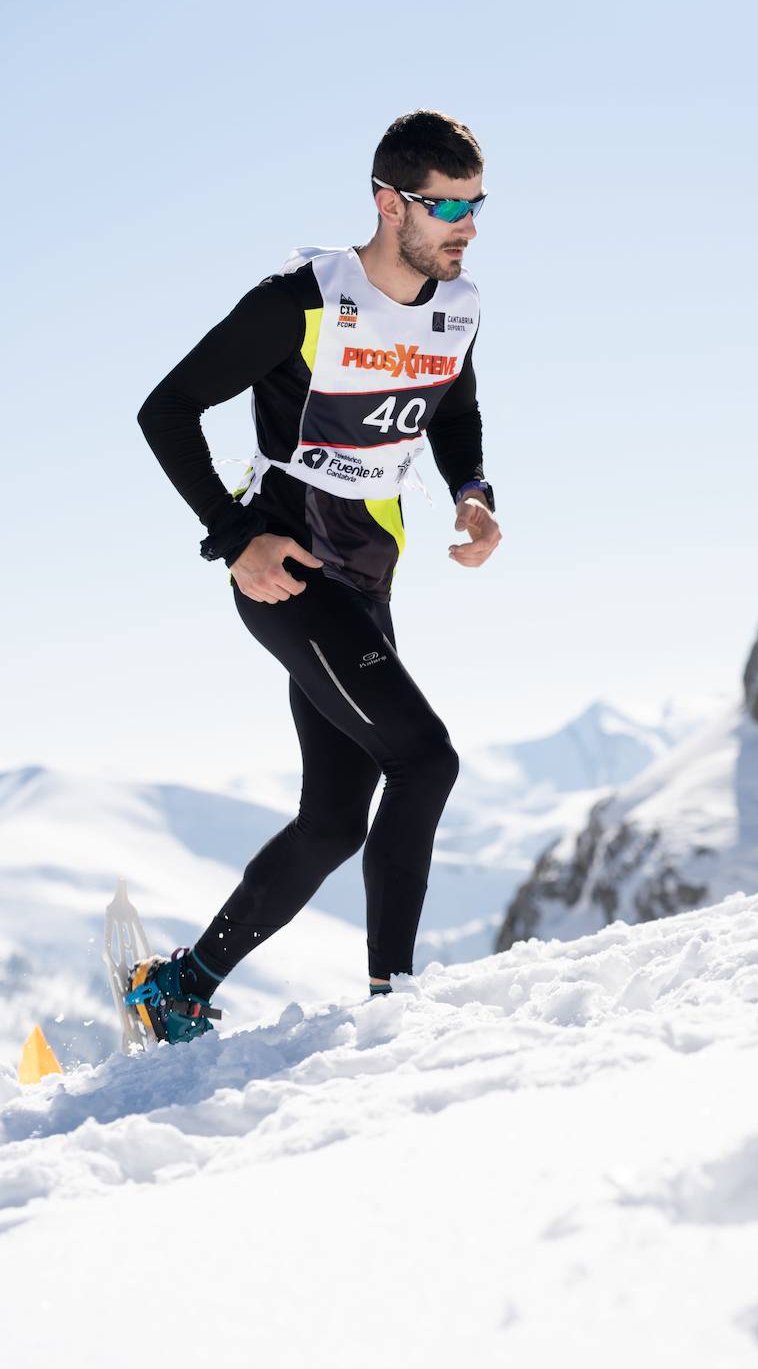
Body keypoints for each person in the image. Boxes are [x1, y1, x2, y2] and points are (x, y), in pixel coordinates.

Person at [128, 109, 501, 1045]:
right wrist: (232, 536)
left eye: (477, 204)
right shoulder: (297, 300)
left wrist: (472, 491)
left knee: (335, 820)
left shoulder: (458, 307)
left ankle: (179, 989)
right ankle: (395, 1006)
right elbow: (165, 411)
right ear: (389, 203)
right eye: (445, 203)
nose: (465, 223)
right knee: (426, 758)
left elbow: (454, 404)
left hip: (370, 574)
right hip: (289, 569)